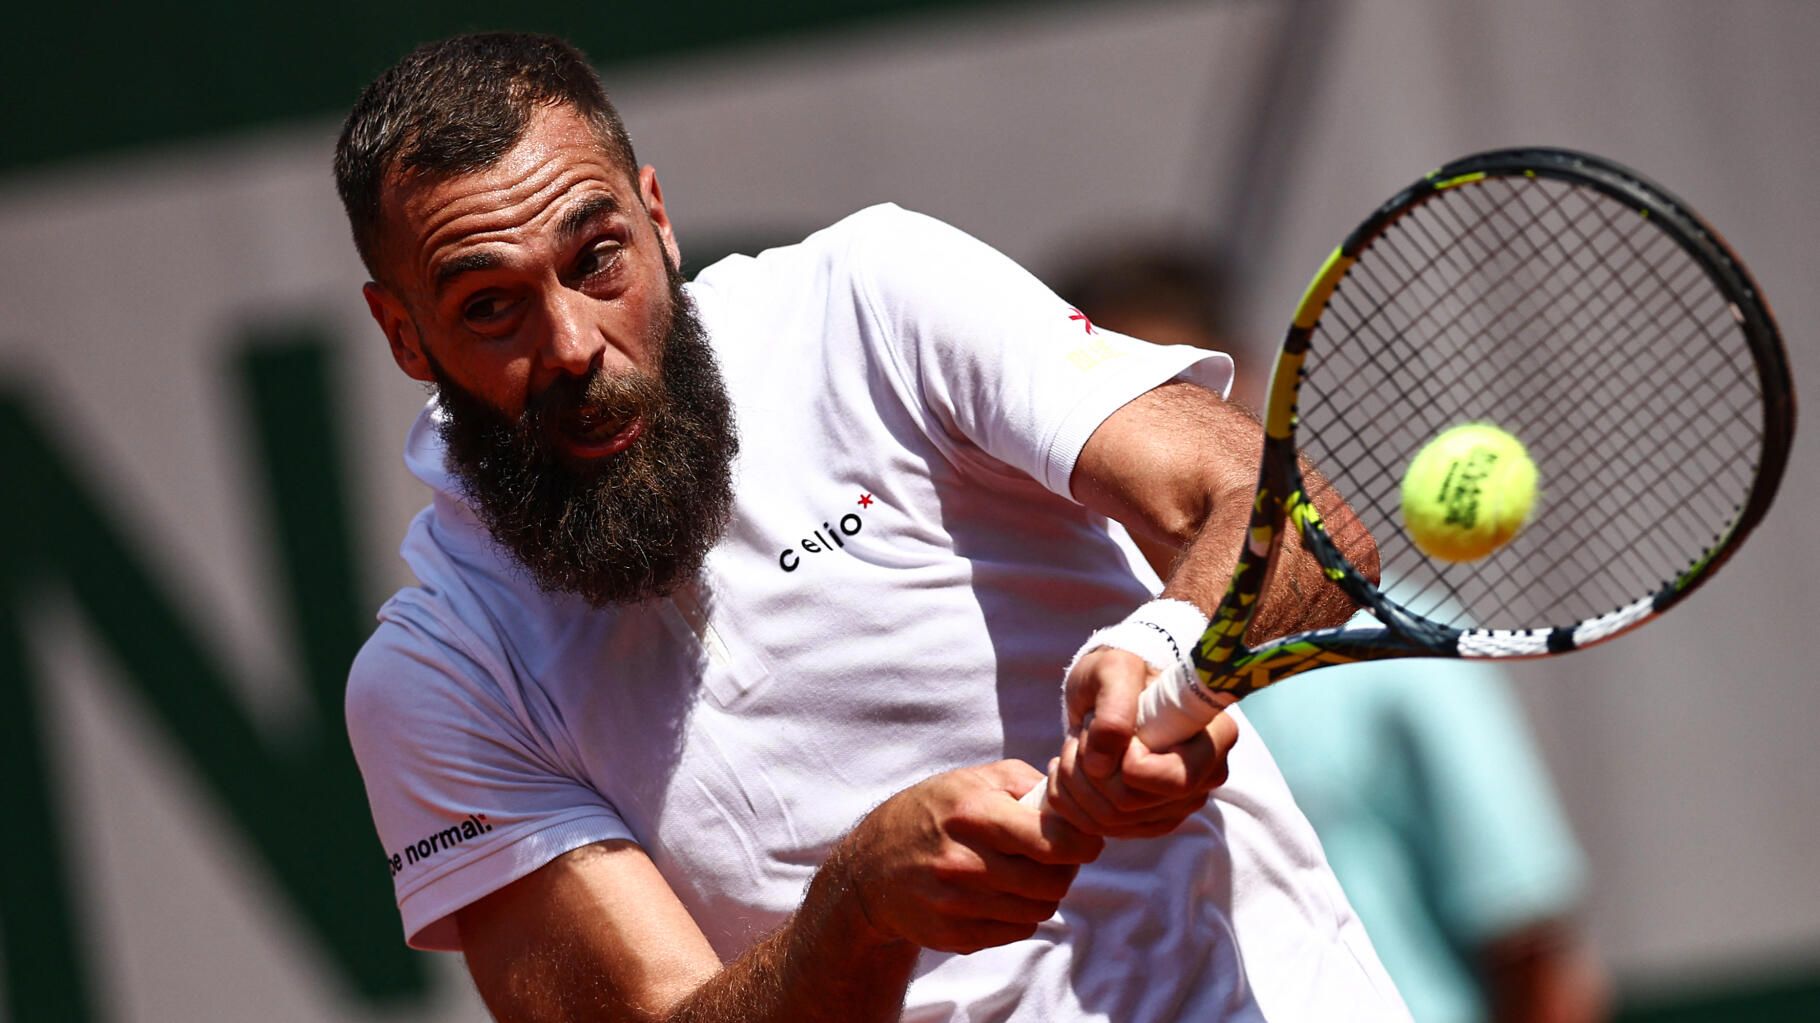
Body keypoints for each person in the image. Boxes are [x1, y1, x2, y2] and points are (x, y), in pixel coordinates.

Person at [337, 33, 1407, 1022]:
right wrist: (859, 910)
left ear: (656, 219)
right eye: (489, 305)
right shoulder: (435, 681)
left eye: (596, 258)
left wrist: (1168, 652)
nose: (572, 343)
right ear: (404, 334)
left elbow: (1291, 519)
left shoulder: (876, 302)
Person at [1056, 245, 1609, 1023]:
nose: (1154, 429)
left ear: (1237, 383)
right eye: (1117, 400)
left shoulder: (1408, 655)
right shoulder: (1062, 649)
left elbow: (1533, 955)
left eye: (1175, 388)